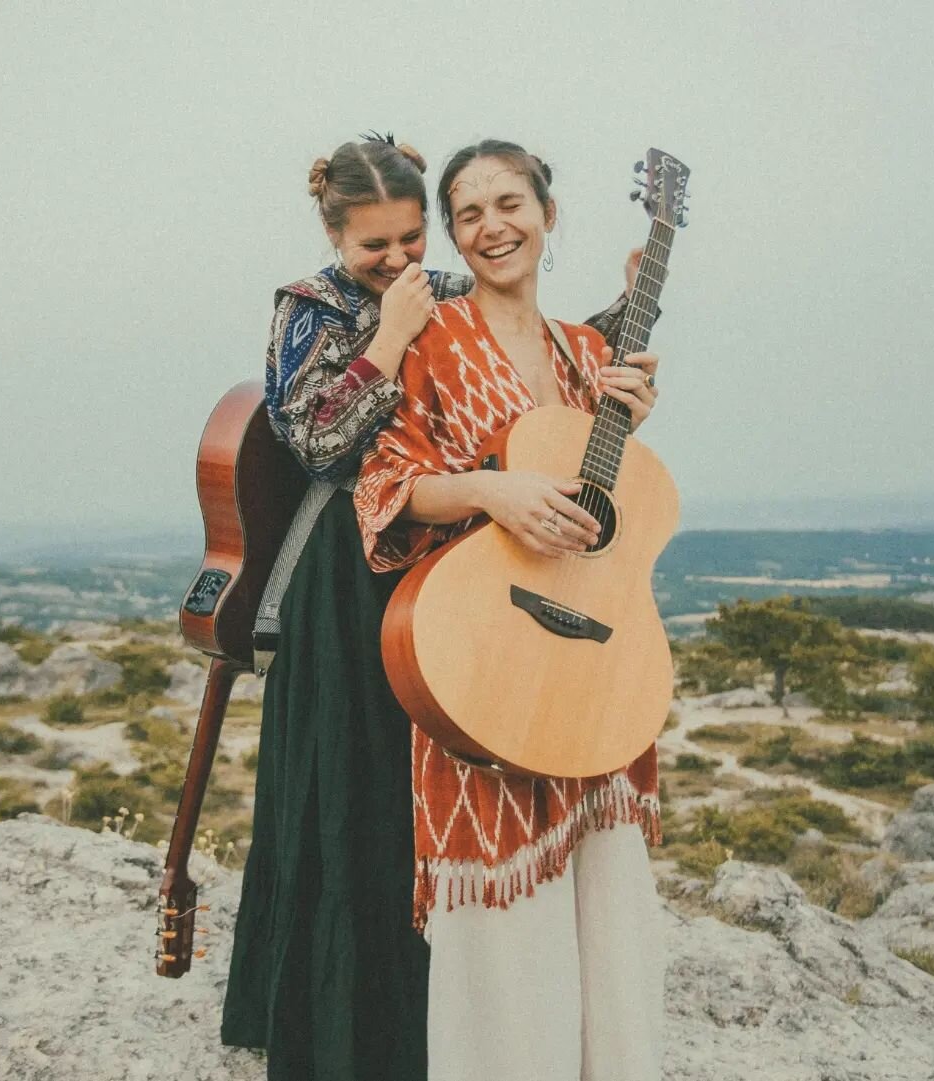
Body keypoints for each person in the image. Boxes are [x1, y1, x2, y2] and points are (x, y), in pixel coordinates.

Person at [221, 132, 655, 1081]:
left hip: (462, 575)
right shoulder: (311, 308)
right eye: (375, 245)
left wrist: (629, 307)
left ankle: (447, 1024)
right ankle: (340, 1025)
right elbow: (319, 444)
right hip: (348, 570)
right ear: (334, 233)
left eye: (414, 240)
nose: (399, 261)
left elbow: (528, 379)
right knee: (353, 788)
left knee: (424, 797)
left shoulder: (450, 295)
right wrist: (386, 336)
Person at [354, 138, 665, 1081]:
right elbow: (384, 485)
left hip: (593, 650)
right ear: (452, 234)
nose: (493, 227)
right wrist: (490, 491)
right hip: (482, 648)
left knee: (610, 910)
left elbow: (609, 503)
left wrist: (633, 419)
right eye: (470, 214)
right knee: (501, 930)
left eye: (510, 204)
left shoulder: (589, 349)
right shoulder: (434, 340)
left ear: (548, 213)